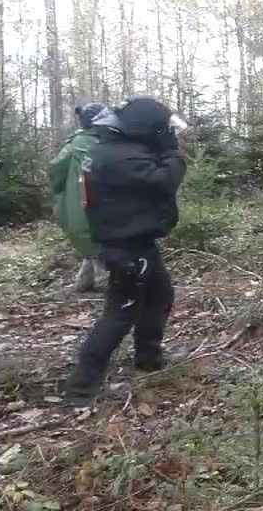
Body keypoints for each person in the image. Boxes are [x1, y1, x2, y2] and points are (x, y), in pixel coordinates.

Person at [62, 97, 186, 407]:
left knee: (159, 295)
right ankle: (80, 389)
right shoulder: (120, 157)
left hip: (135, 244)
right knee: (119, 314)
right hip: (126, 248)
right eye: (163, 129)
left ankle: (148, 358)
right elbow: (163, 180)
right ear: (147, 129)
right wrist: (173, 151)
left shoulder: (114, 150)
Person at [50, 103, 108, 292]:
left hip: (79, 200)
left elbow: (56, 169)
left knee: (88, 237)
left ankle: (84, 282)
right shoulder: (109, 141)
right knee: (97, 239)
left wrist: (61, 191)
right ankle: (104, 283)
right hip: (103, 201)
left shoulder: (75, 144)